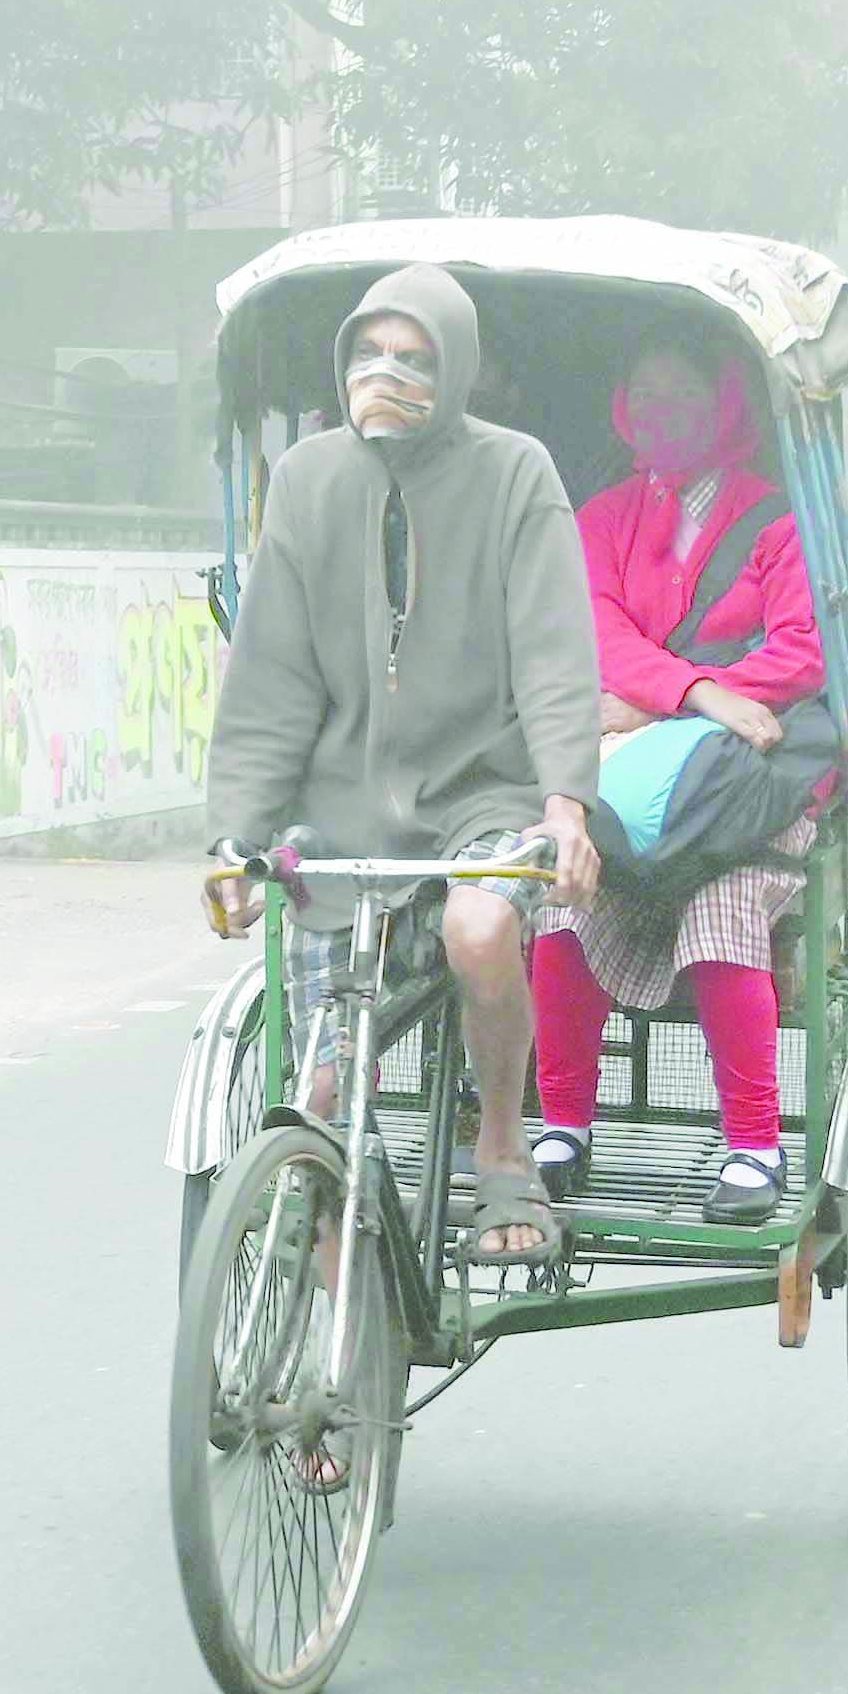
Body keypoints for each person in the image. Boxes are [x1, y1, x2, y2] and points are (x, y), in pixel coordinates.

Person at [204, 263, 603, 1266]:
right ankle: (330, 1387)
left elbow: (555, 652)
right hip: (341, 810)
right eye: (370, 354)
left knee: (478, 929)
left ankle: (505, 1153)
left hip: (485, 792)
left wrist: (564, 804)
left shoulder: (516, 473)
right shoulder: (307, 479)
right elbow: (272, 679)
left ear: (456, 369)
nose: (387, 375)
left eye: (415, 360)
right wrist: (236, 837)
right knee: (320, 1101)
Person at [530, 336, 825, 1226]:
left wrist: (660, 709)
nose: (661, 411)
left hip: (749, 793)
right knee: (565, 898)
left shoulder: (778, 520)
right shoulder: (604, 518)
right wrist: (697, 694)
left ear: (725, 405)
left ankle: (753, 1144)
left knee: (721, 910)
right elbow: (597, 632)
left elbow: (801, 651)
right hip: (633, 783)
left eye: (682, 392)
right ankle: (563, 1128)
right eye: (643, 393)